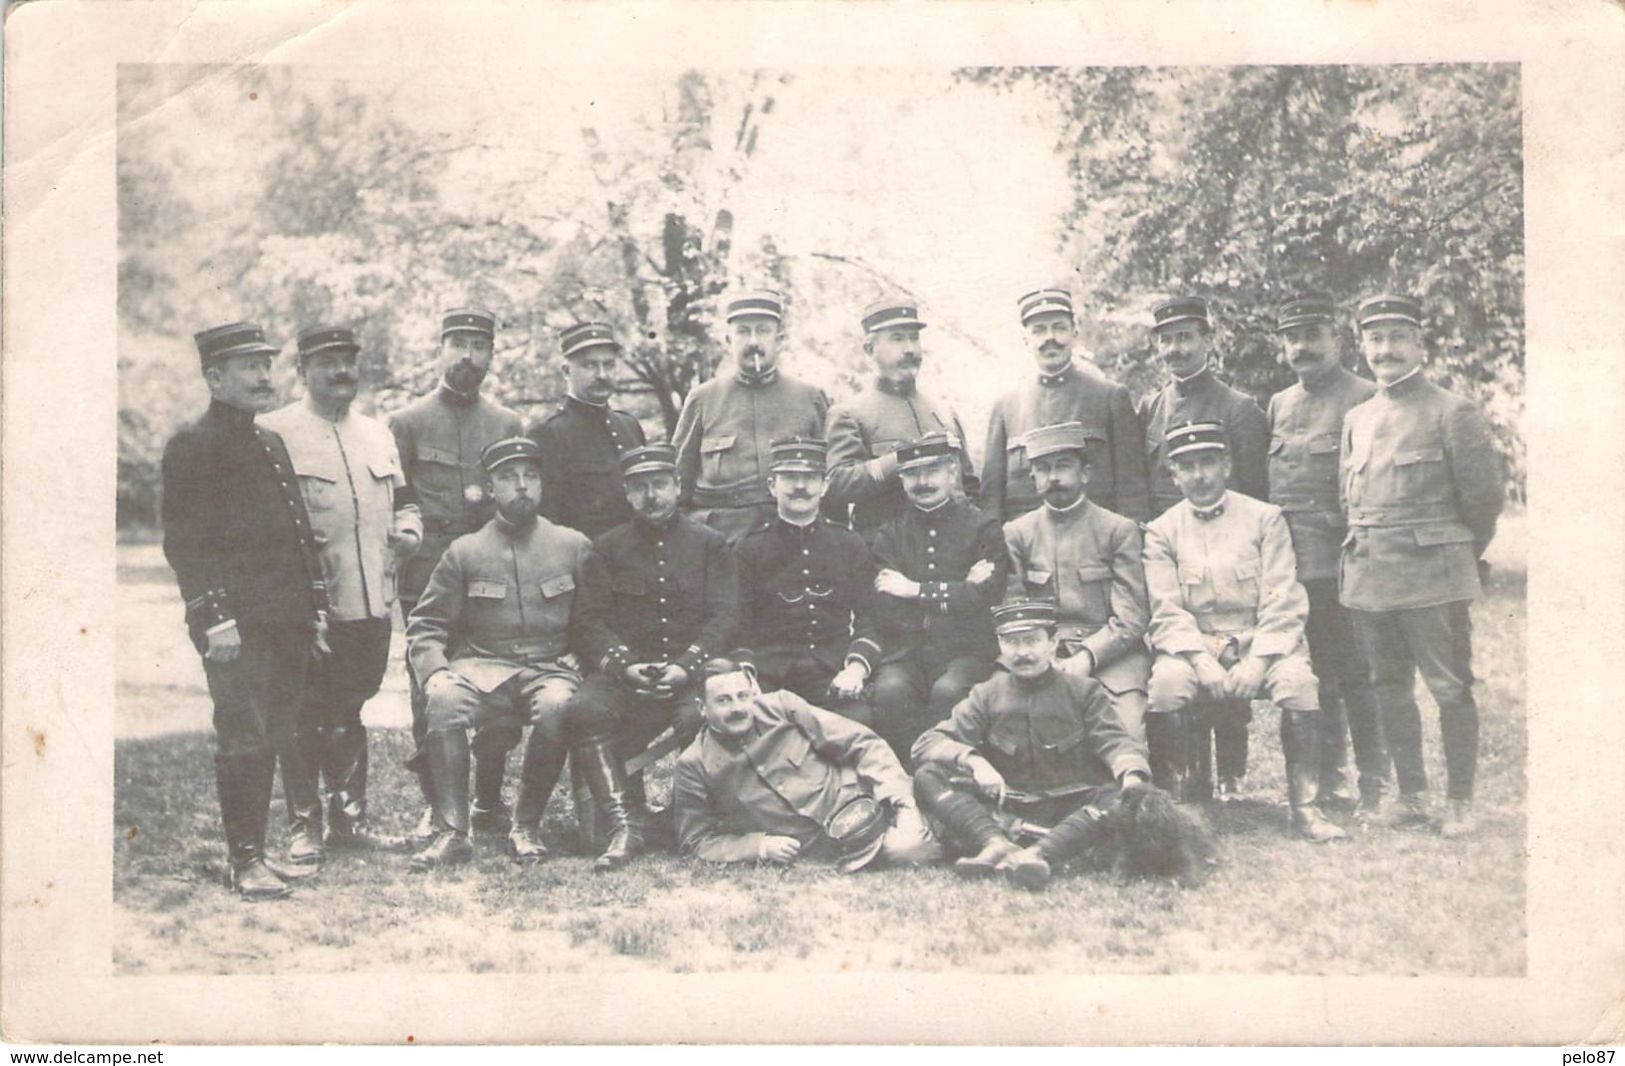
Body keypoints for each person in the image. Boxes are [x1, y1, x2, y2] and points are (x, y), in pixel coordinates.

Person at [161, 321, 331, 900]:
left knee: (276, 730)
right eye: (248, 367)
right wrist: (215, 618)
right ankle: (245, 860)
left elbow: (298, 534)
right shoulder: (193, 445)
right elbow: (185, 544)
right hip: (235, 624)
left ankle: (257, 853)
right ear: (214, 377)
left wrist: (315, 609)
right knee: (243, 734)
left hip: (285, 618)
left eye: (266, 364)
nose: (264, 376)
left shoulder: (269, 441)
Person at [1341, 294, 1505, 838]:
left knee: (1450, 687)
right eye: (1374, 339)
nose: (1384, 350)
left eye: (1395, 338)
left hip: (1433, 574)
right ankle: (1411, 796)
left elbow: (1482, 501)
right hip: (1370, 575)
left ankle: (1459, 801)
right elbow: (1351, 498)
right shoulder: (1358, 417)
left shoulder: (1451, 410)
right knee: (1388, 686)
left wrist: (1455, 552)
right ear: (1363, 346)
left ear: (1419, 345)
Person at [262, 325, 423, 862]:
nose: (341, 372)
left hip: (371, 601)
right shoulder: (273, 431)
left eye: (349, 361)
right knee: (306, 709)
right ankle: (304, 825)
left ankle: (349, 822)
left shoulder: (378, 433)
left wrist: (411, 531)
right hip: (309, 607)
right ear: (302, 369)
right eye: (328, 361)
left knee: (351, 706)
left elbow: (406, 500)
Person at [1141, 422, 1346, 842]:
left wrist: (1258, 662)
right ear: (1173, 475)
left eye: (1208, 463)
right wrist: (1199, 660)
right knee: (1165, 686)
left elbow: (1283, 598)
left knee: (1299, 684)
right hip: (1192, 646)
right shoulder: (1161, 531)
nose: (1199, 476)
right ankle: (1176, 810)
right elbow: (1165, 609)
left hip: (1262, 643)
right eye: (1187, 466)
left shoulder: (1265, 520)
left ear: (1227, 466)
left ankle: (1305, 808)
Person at [912, 601, 1206, 891]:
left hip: (1072, 805)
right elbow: (927, 743)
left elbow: (1116, 742)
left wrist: (1131, 776)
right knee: (929, 775)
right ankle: (994, 843)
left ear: (1052, 643)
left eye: (1032, 641)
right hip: (1009, 802)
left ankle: (1039, 854)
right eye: (1012, 642)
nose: (1023, 652)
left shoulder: (1084, 691)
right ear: (1000, 645)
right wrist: (974, 762)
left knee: (1119, 796)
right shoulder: (986, 694)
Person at [404, 438, 593, 869]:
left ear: (542, 484)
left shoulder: (573, 546)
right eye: (508, 477)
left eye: (530, 476)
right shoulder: (465, 551)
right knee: (446, 699)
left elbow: (597, 619)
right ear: (490, 488)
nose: (521, 486)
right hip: (483, 666)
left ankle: (526, 824)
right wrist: (434, 671)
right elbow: (426, 625)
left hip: (550, 667)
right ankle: (454, 832)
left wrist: (583, 654)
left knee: (557, 705)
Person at [388, 308, 525, 842]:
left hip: (492, 565)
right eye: (459, 344)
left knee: (499, 677)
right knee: (430, 685)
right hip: (429, 572)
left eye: (480, 346)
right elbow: (397, 503)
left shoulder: (507, 424)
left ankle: (489, 800)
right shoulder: (407, 422)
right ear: (441, 348)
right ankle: (438, 803)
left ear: (492, 354)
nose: (470, 357)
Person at [570, 442, 740, 868]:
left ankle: (692, 817)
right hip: (626, 675)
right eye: (640, 487)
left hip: (691, 673)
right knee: (587, 709)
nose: (652, 496)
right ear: (627, 494)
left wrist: (687, 666)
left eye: (660, 484)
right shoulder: (606, 549)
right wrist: (625, 665)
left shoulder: (710, 544)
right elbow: (589, 621)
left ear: (678, 486)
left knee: (697, 717)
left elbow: (725, 616)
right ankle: (622, 823)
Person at [1139, 295, 1269, 795]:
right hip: (1168, 550)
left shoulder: (1238, 409)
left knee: (1227, 647)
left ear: (1208, 341)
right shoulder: (1151, 407)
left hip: (1226, 554)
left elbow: (1253, 493)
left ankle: (1231, 772)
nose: (1175, 349)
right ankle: (1192, 776)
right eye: (1166, 340)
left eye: (1185, 337)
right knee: (1179, 654)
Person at [1264, 292, 1389, 815]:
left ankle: (1375, 784)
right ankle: (1329, 778)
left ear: (1337, 339)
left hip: (1345, 561)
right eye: (1292, 339)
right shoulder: (1278, 404)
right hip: (1290, 568)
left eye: (1313, 336)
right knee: (1311, 676)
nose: (1302, 348)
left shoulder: (1366, 397)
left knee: (1357, 675)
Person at [673, 659, 943, 871]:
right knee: (908, 850)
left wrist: (902, 804)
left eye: (743, 696)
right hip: (821, 849)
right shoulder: (693, 764)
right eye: (723, 700)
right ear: (701, 708)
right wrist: (758, 846)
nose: (738, 708)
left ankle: (960, 822)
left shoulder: (782, 706)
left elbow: (862, 743)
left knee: (917, 836)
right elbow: (696, 841)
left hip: (870, 805)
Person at [1002, 422, 1152, 746]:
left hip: (1112, 656)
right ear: (1033, 478)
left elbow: (1132, 618)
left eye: (1063, 466)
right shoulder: (1017, 534)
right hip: (1040, 655)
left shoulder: (1118, 530)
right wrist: (1043, 658)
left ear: (1085, 473)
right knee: (1012, 729)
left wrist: (1086, 658)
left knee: (1127, 732)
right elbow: (1016, 612)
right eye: (1043, 469)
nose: (1053, 477)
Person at [867, 432, 1008, 760]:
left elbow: (988, 595)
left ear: (952, 472)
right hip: (906, 650)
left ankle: (950, 771)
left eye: (932, 471)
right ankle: (904, 776)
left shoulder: (983, 526)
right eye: (913, 474)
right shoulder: (891, 533)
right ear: (901, 480)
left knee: (950, 691)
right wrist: (960, 590)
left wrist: (915, 590)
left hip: (967, 650)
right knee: (890, 692)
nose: (923, 481)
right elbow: (886, 606)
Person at [730, 437, 881, 718]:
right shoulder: (749, 548)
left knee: (859, 722)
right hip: (768, 675)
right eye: (789, 477)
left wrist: (856, 668)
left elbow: (869, 619)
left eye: (810, 478)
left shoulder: (849, 544)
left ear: (824, 486)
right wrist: (745, 675)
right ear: (772, 486)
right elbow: (737, 624)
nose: (800, 486)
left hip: (833, 673)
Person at [673, 290, 831, 542]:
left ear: (779, 339)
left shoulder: (810, 398)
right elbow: (677, 485)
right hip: (722, 541)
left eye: (763, 331)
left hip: (793, 540)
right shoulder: (703, 399)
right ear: (728, 339)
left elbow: (831, 478)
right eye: (743, 331)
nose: (753, 341)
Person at [981, 288, 1149, 522]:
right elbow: (991, 500)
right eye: (1039, 330)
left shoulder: (1110, 397)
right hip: (1025, 551)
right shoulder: (1005, 408)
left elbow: (1132, 493)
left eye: (1059, 327)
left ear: (1074, 332)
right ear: (1025, 339)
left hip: (1096, 548)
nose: (1050, 338)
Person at [824, 297, 977, 537]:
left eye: (914, 338)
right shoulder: (850, 414)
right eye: (897, 338)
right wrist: (902, 459)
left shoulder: (945, 414)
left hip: (952, 552)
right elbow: (836, 485)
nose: (910, 349)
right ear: (869, 349)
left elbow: (969, 489)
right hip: (888, 557)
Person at [527, 321, 646, 539]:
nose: (602, 374)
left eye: (609, 365)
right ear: (566, 371)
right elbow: (547, 521)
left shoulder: (629, 426)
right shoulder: (549, 435)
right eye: (590, 366)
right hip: (587, 562)